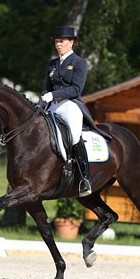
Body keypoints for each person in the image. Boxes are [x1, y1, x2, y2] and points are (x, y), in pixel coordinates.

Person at [41, 26, 92, 197]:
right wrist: (43, 99)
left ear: (72, 43)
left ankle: (84, 177)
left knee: (75, 135)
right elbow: (45, 88)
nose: (58, 44)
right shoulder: (52, 64)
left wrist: (53, 94)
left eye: (61, 41)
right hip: (52, 104)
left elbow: (76, 89)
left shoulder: (79, 63)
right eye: (56, 41)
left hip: (70, 105)